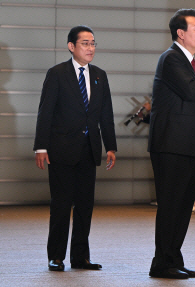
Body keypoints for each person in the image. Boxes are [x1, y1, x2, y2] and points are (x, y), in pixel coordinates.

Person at [34, 25, 117, 272]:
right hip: (61, 150)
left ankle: (80, 258)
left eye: (93, 43)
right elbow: (45, 112)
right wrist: (41, 147)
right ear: (72, 46)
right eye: (85, 43)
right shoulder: (57, 73)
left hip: (89, 150)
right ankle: (56, 256)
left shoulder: (100, 75)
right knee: (61, 205)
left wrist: (110, 146)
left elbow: (106, 114)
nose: (90, 48)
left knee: (85, 206)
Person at [148, 9, 195, 280]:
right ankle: (162, 263)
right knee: (171, 205)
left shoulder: (188, 62)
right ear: (181, 34)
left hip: (188, 145)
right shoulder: (172, 58)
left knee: (183, 206)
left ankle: (173, 258)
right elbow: (191, 91)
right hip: (172, 146)